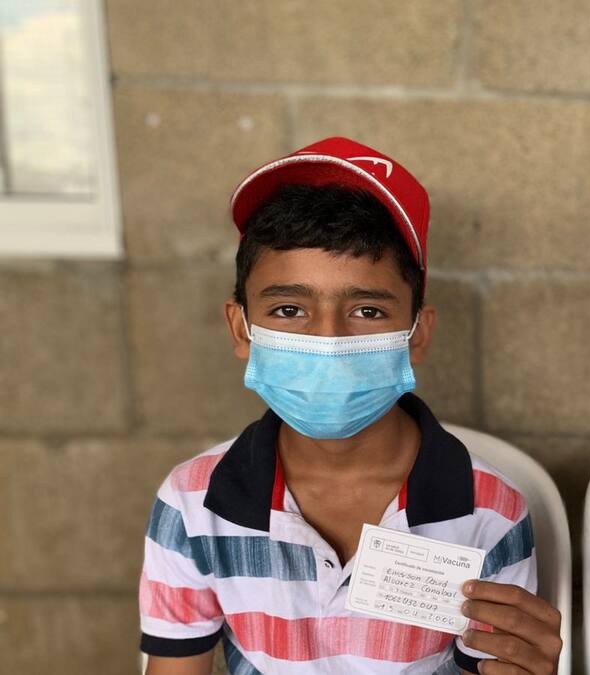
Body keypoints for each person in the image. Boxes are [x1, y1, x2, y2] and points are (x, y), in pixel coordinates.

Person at [138, 137, 562, 674]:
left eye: (367, 310)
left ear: (417, 333)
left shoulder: (490, 512)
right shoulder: (192, 504)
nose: (329, 341)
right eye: (288, 309)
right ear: (241, 329)